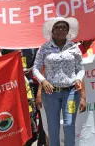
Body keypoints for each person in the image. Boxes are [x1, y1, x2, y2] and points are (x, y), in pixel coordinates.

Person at [33, 17, 86, 146]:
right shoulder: (44, 48)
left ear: (68, 31)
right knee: (53, 127)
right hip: (50, 94)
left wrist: (79, 79)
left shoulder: (74, 47)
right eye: (58, 27)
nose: (61, 29)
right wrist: (43, 81)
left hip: (72, 93)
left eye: (64, 27)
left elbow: (80, 69)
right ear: (52, 31)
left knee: (69, 125)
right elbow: (36, 68)